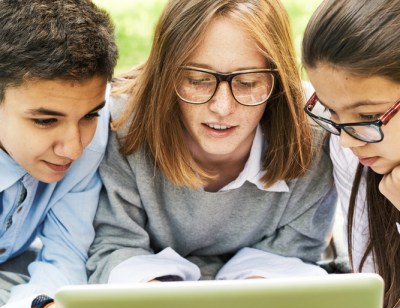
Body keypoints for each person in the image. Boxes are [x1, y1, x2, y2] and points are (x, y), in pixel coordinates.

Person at [87, 0, 336, 288]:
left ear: (279, 82)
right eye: (198, 79)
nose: (222, 107)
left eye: (248, 83)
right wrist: (159, 297)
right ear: (165, 76)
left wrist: (243, 299)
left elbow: (295, 252)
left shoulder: (315, 133)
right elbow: (113, 244)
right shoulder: (121, 123)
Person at [0, 0, 118, 308]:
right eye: (45, 120)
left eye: (90, 114)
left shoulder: (91, 140)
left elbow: (65, 258)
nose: (73, 147)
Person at [301, 0, 400, 308]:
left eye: (366, 115)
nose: (345, 141)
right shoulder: (353, 154)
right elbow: (382, 301)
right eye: (331, 112)